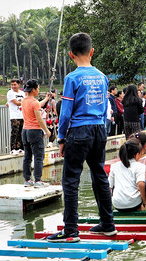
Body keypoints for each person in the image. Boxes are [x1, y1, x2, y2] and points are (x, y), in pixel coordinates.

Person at [47, 33, 116, 243]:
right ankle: (108, 224)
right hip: (99, 129)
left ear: (71, 55)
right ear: (92, 51)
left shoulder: (72, 78)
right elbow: (105, 108)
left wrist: (61, 138)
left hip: (79, 131)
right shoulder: (102, 77)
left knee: (70, 180)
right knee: (99, 175)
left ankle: (70, 230)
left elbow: (65, 113)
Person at [21, 79, 51, 188]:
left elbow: (37, 105)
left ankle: (27, 180)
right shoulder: (34, 103)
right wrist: (47, 131)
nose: (38, 90)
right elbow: (39, 119)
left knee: (27, 156)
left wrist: (47, 99)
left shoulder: (24, 101)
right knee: (39, 156)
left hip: (25, 131)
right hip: (34, 131)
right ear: (33, 90)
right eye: (38, 88)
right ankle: (38, 180)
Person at [108, 139, 146, 212]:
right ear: (136, 155)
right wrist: (145, 201)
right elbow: (141, 183)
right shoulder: (140, 166)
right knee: (142, 205)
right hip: (134, 204)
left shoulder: (114, 166)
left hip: (117, 204)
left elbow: (109, 187)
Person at [7, 78, 25, 155]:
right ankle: (13, 148)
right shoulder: (10, 93)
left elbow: (24, 100)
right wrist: (24, 103)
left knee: (21, 132)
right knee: (15, 131)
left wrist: (23, 102)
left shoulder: (22, 93)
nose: (13, 86)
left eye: (15, 84)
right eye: (12, 85)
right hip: (14, 116)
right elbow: (17, 103)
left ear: (18, 85)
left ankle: (20, 147)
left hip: (22, 115)